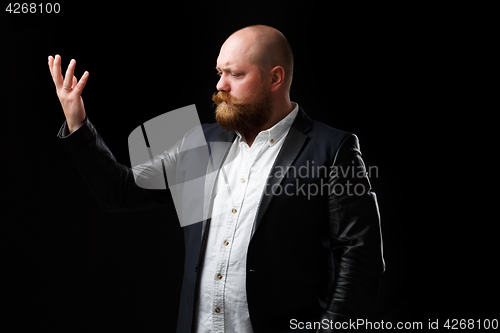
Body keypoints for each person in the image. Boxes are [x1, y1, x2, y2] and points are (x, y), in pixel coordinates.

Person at [48, 25, 385, 333]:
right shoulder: (200, 142)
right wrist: (78, 124)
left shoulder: (333, 148)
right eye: (219, 72)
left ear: (275, 78)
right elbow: (119, 191)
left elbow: (361, 255)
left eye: (235, 74)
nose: (220, 86)